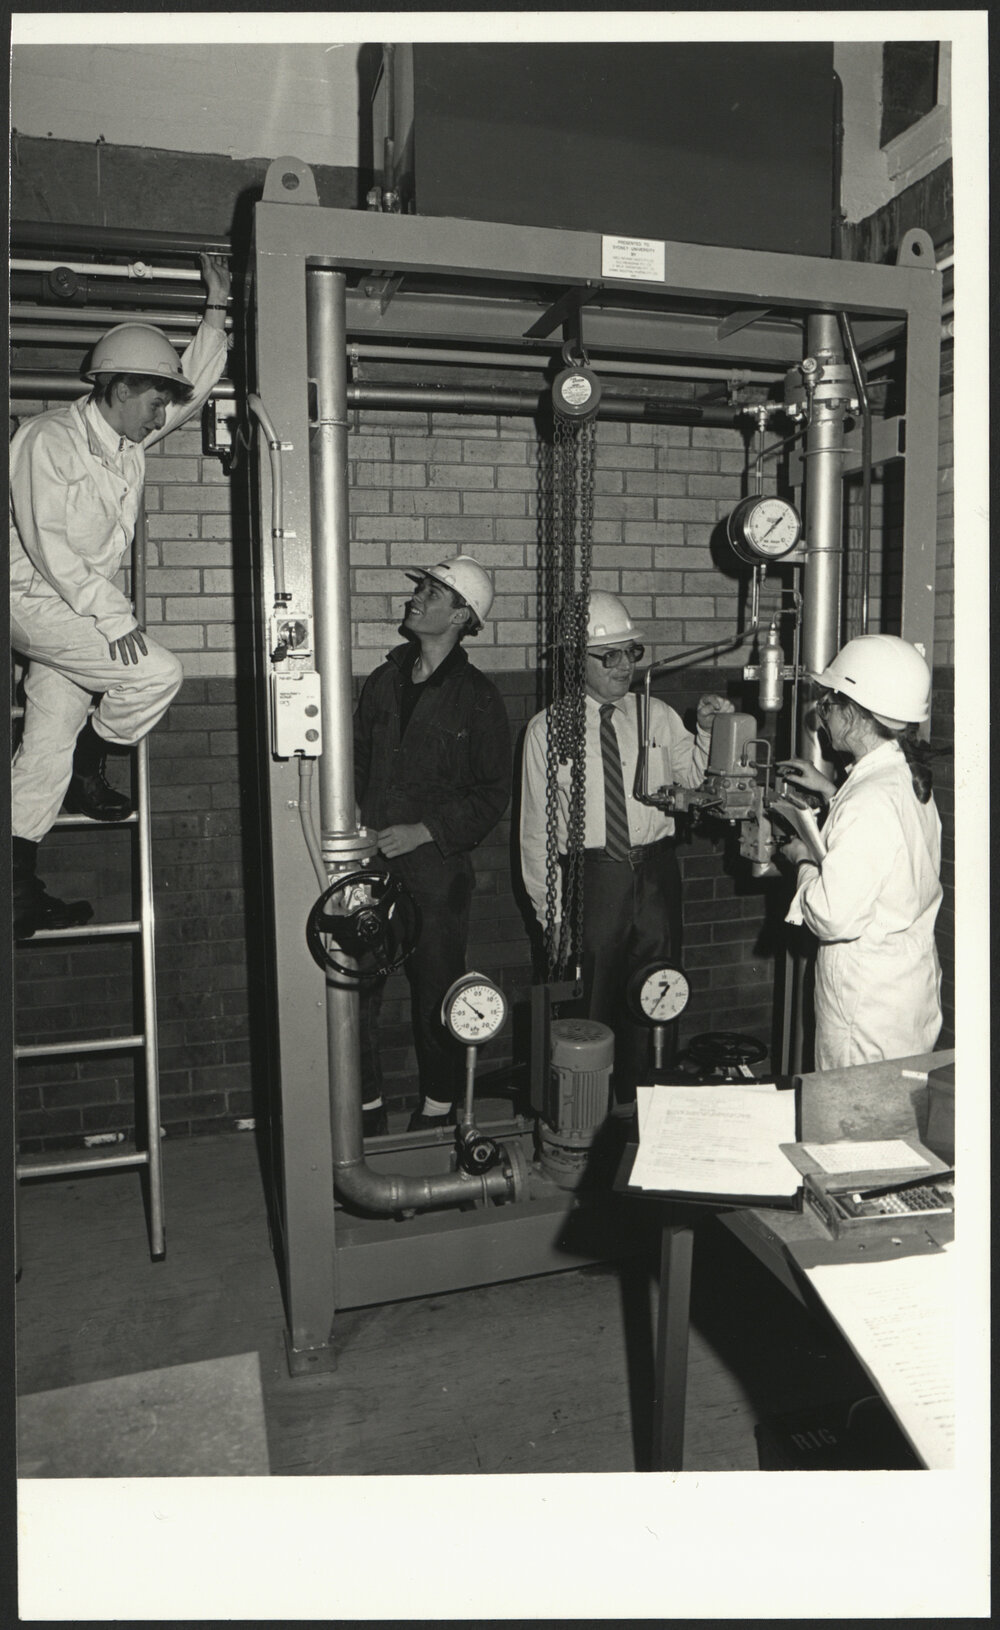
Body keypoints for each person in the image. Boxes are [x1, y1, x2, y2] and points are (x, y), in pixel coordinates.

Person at [10, 254, 232, 940]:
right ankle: (92, 762)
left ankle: (14, 890)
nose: (162, 415)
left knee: (43, 746)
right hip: (35, 601)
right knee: (158, 673)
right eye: (154, 401)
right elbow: (48, 543)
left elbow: (195, 385)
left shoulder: (127, 443)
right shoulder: (47, 439)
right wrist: (113, 615)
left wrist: (216, 308)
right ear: (121, 387)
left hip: (76, 611)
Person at [519, 590, 734, 1108]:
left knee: (659, 995)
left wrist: (708, 732)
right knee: (589, 1006)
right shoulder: (547, 729)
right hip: (593, 881)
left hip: (656, 876)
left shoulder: (656, 715)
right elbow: (536, 834)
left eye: (630, 653)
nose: (623, 666)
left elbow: (696, 780)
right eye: (608, 655)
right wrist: (552, 917)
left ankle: (647, 1110)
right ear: (577, 660)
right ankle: (586, 1115)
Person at [353, 556, 512, 1134]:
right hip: (369, 868)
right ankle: (365, 1111)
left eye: (432, 592)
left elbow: (492, 794)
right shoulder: (383, 682)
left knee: (436, 995)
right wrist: (353, 823)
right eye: (420, 587)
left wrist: (425, 831)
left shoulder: (479, 698)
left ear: (462, 616)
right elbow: (355, 764)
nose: (415, 598)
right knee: (355, 992)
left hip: (436, 874)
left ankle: (438, 1113)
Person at [777, 634, 942, 1071]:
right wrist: (830, 790)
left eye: (828, 705)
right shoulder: (905, 777)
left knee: (852, 1112)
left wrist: (803, 859)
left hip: (863, 1012)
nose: (822, 715)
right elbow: (884, 843)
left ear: (853, 713)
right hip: (903, 995)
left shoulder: (868, 799)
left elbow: (833, 917)